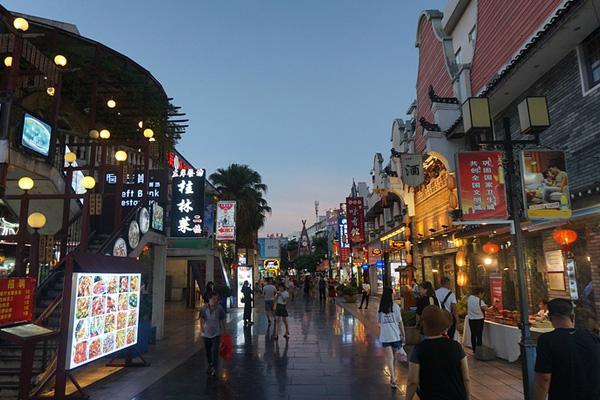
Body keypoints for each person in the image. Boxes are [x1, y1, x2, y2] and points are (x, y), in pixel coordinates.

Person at [533, 298, 600, 400]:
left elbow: (544, 378)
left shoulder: (547, 340)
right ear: (573, 317)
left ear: (550, 318)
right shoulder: (593, 337)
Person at [406, 305, 470, 400]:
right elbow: (466, 378)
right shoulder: (456, 346)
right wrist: (467, 397)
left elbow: (413, 381)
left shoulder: (419, 349)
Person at [377, 287, 406, 389]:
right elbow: (400, 322)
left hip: (385, 336)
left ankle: (393, 378)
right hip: (395, 336)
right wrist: (403, 334)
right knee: (394, 357)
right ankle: (393, 377)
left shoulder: (380, 307)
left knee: (390, 358)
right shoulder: (396, 307)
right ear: (390, 296)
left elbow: (379, 322)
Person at [200, 292, 227, 377]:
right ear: (209, 299)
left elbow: (223, 319)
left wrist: (225, 330)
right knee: (208, 350)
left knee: (215, 350)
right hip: (206, 333)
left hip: (216, 333)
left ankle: (215, 368)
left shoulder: (219, 308)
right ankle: (210, 364)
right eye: (213, 299)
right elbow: (201, 318)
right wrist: (202, 328)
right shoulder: (204, 308)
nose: (215, 301)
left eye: (217, 299)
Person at [467, 287, 488, 353]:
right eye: (482, 294)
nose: (482, 296)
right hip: (479, 320)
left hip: (471, 319)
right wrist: (493, 306)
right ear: (479, 293)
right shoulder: (480, 301)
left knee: (473, 334)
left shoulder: (470, 298)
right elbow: (486, 309)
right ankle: (479, 350)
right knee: (479, 335)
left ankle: (474, 350)